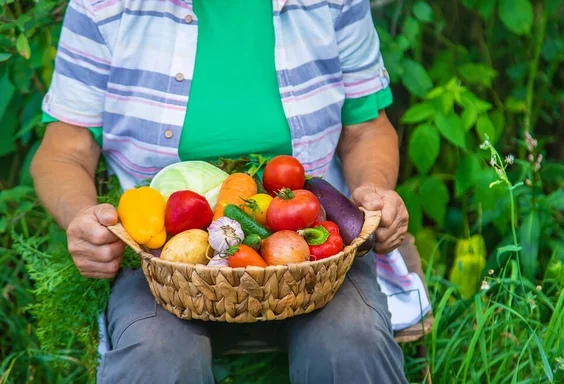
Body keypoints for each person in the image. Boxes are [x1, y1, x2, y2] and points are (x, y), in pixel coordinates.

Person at [30, 0, 413, 382]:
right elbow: (63, 151)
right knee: (156, 360)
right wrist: (82, 218)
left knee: (351, 343)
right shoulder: (103, 6)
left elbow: (367, 129)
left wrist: (373, 191)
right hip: (160, 260)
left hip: (315, 252)